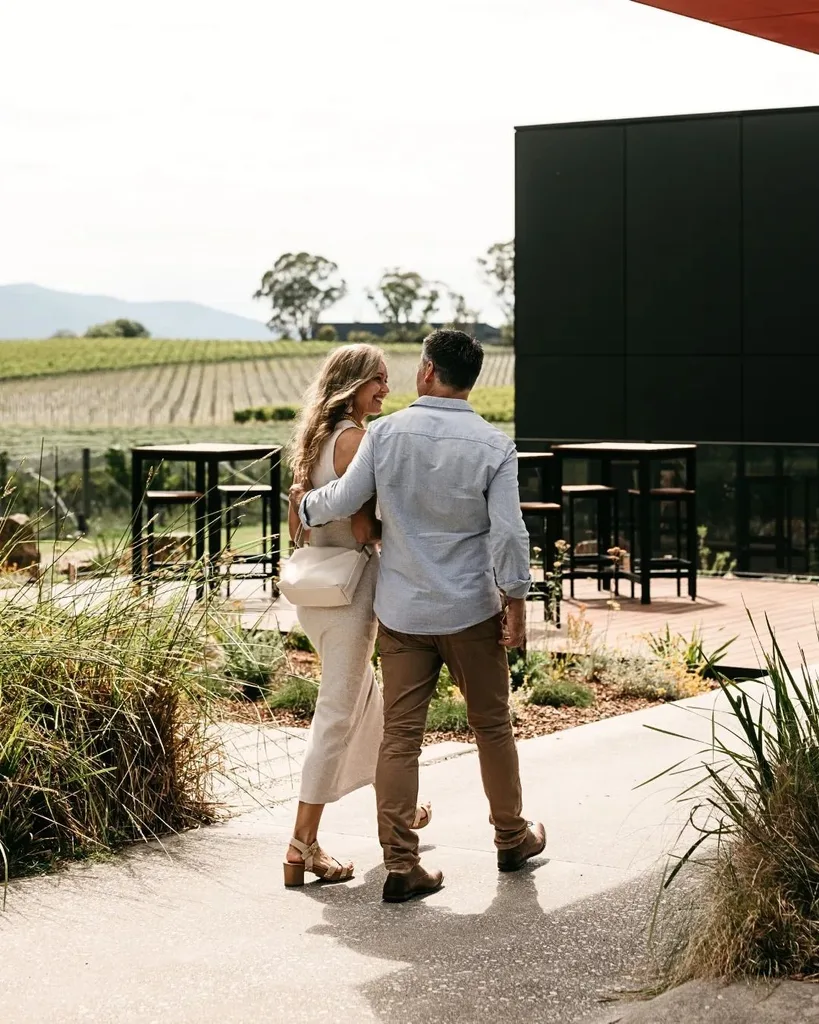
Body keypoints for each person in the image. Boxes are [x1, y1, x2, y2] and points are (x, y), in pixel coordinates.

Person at [293, 329, 546, 903]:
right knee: (492, 726)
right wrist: (517, 603)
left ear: (427, 372)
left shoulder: (385, 434)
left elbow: (339, 499)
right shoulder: (493, 445)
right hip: (469, 610)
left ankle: (402, 865)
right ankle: (511, 838)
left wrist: (302, 502)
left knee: (401, 737)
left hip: (403, 613)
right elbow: (509, 533)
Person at [282, 343, 431, 889]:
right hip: (350, 593)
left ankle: (399, 811)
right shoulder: (355, 440)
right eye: (378, 380)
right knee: (337, 714)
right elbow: (368, 529)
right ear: (353, 384)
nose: (386, 390)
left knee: (367, 703)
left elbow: (298, 524)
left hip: (315, 595)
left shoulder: (313, 440)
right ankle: (302, 844)